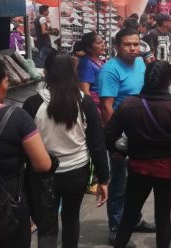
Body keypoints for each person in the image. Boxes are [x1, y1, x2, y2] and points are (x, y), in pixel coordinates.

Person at [22, 53, 109, 248]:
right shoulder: (84, 102)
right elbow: (97, 144)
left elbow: (24, 147)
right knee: (71, 220)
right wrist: (103, 179)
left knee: (47, 227)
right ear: (73, 73)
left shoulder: (32, 104)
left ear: (46, 73)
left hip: (43, 175)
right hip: (77, 172)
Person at [0, 57, 52, 248]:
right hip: (6, 209)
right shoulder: (16, 117)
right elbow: (43, 164)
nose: (7, 87)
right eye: (6, 82)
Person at [105, 61, 171, 248]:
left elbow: (110, 134)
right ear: (169, 81)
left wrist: (119, 151)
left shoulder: (128, 104)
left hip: (138, 167)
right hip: (168, 169)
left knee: (129, 214)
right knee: (163, 217)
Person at [97, 28, 153, 245]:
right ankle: (116, 227)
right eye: (128, 44)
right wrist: (118, 140)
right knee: (119, 183)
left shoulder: (140, 63)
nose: (133, 48)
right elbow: (106, 107)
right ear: (117, 47)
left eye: (136, 44)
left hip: (141, 133)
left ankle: (134, 219)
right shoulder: (110, 71)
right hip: (122, 137)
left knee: (136, 182)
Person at [75, 32, 106, 109]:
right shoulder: (86, 64)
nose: (103, 44)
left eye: (102, 41)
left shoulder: (100, 61)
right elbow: (85, 92)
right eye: (99, 43)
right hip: (96, 106)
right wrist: (92, 111)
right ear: (89, 48)